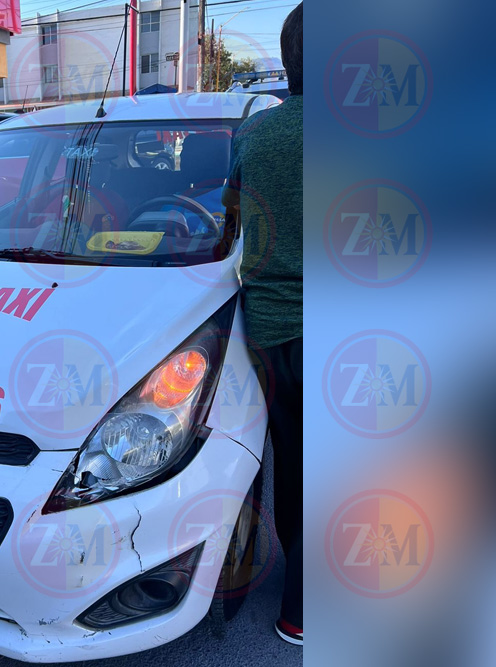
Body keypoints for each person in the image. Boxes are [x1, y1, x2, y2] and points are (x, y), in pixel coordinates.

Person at [221, 2, 303, 647]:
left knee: (295, 459)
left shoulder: (254, 134)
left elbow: (232, 209)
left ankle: (296, 606)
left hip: (273, 327)